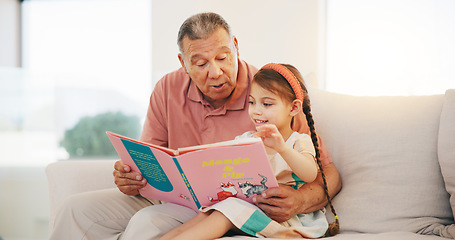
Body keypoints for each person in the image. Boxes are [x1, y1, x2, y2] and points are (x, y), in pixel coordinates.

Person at [49, 12, 341, 240]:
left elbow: (327, 174)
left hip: (225, 208)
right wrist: (131, 176)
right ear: (183, 62)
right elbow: (149, 158)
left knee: (145, 224)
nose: (215, 72)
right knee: (73, 210)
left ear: (236, 47)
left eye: (223, 58)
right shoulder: (167, 88)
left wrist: (300, 200)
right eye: (200, 63)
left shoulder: (269, 93)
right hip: (173, 198)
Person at [160, 63, 339, 240]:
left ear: (293, 108)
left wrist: (282, 148)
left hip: (283, 218)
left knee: (226, 212)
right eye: (252, 102)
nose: (256, 111)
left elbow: (310, 174)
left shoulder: (298, 141)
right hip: (247, 204)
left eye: (267, 104)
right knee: (207, 212)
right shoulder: (247, 139)